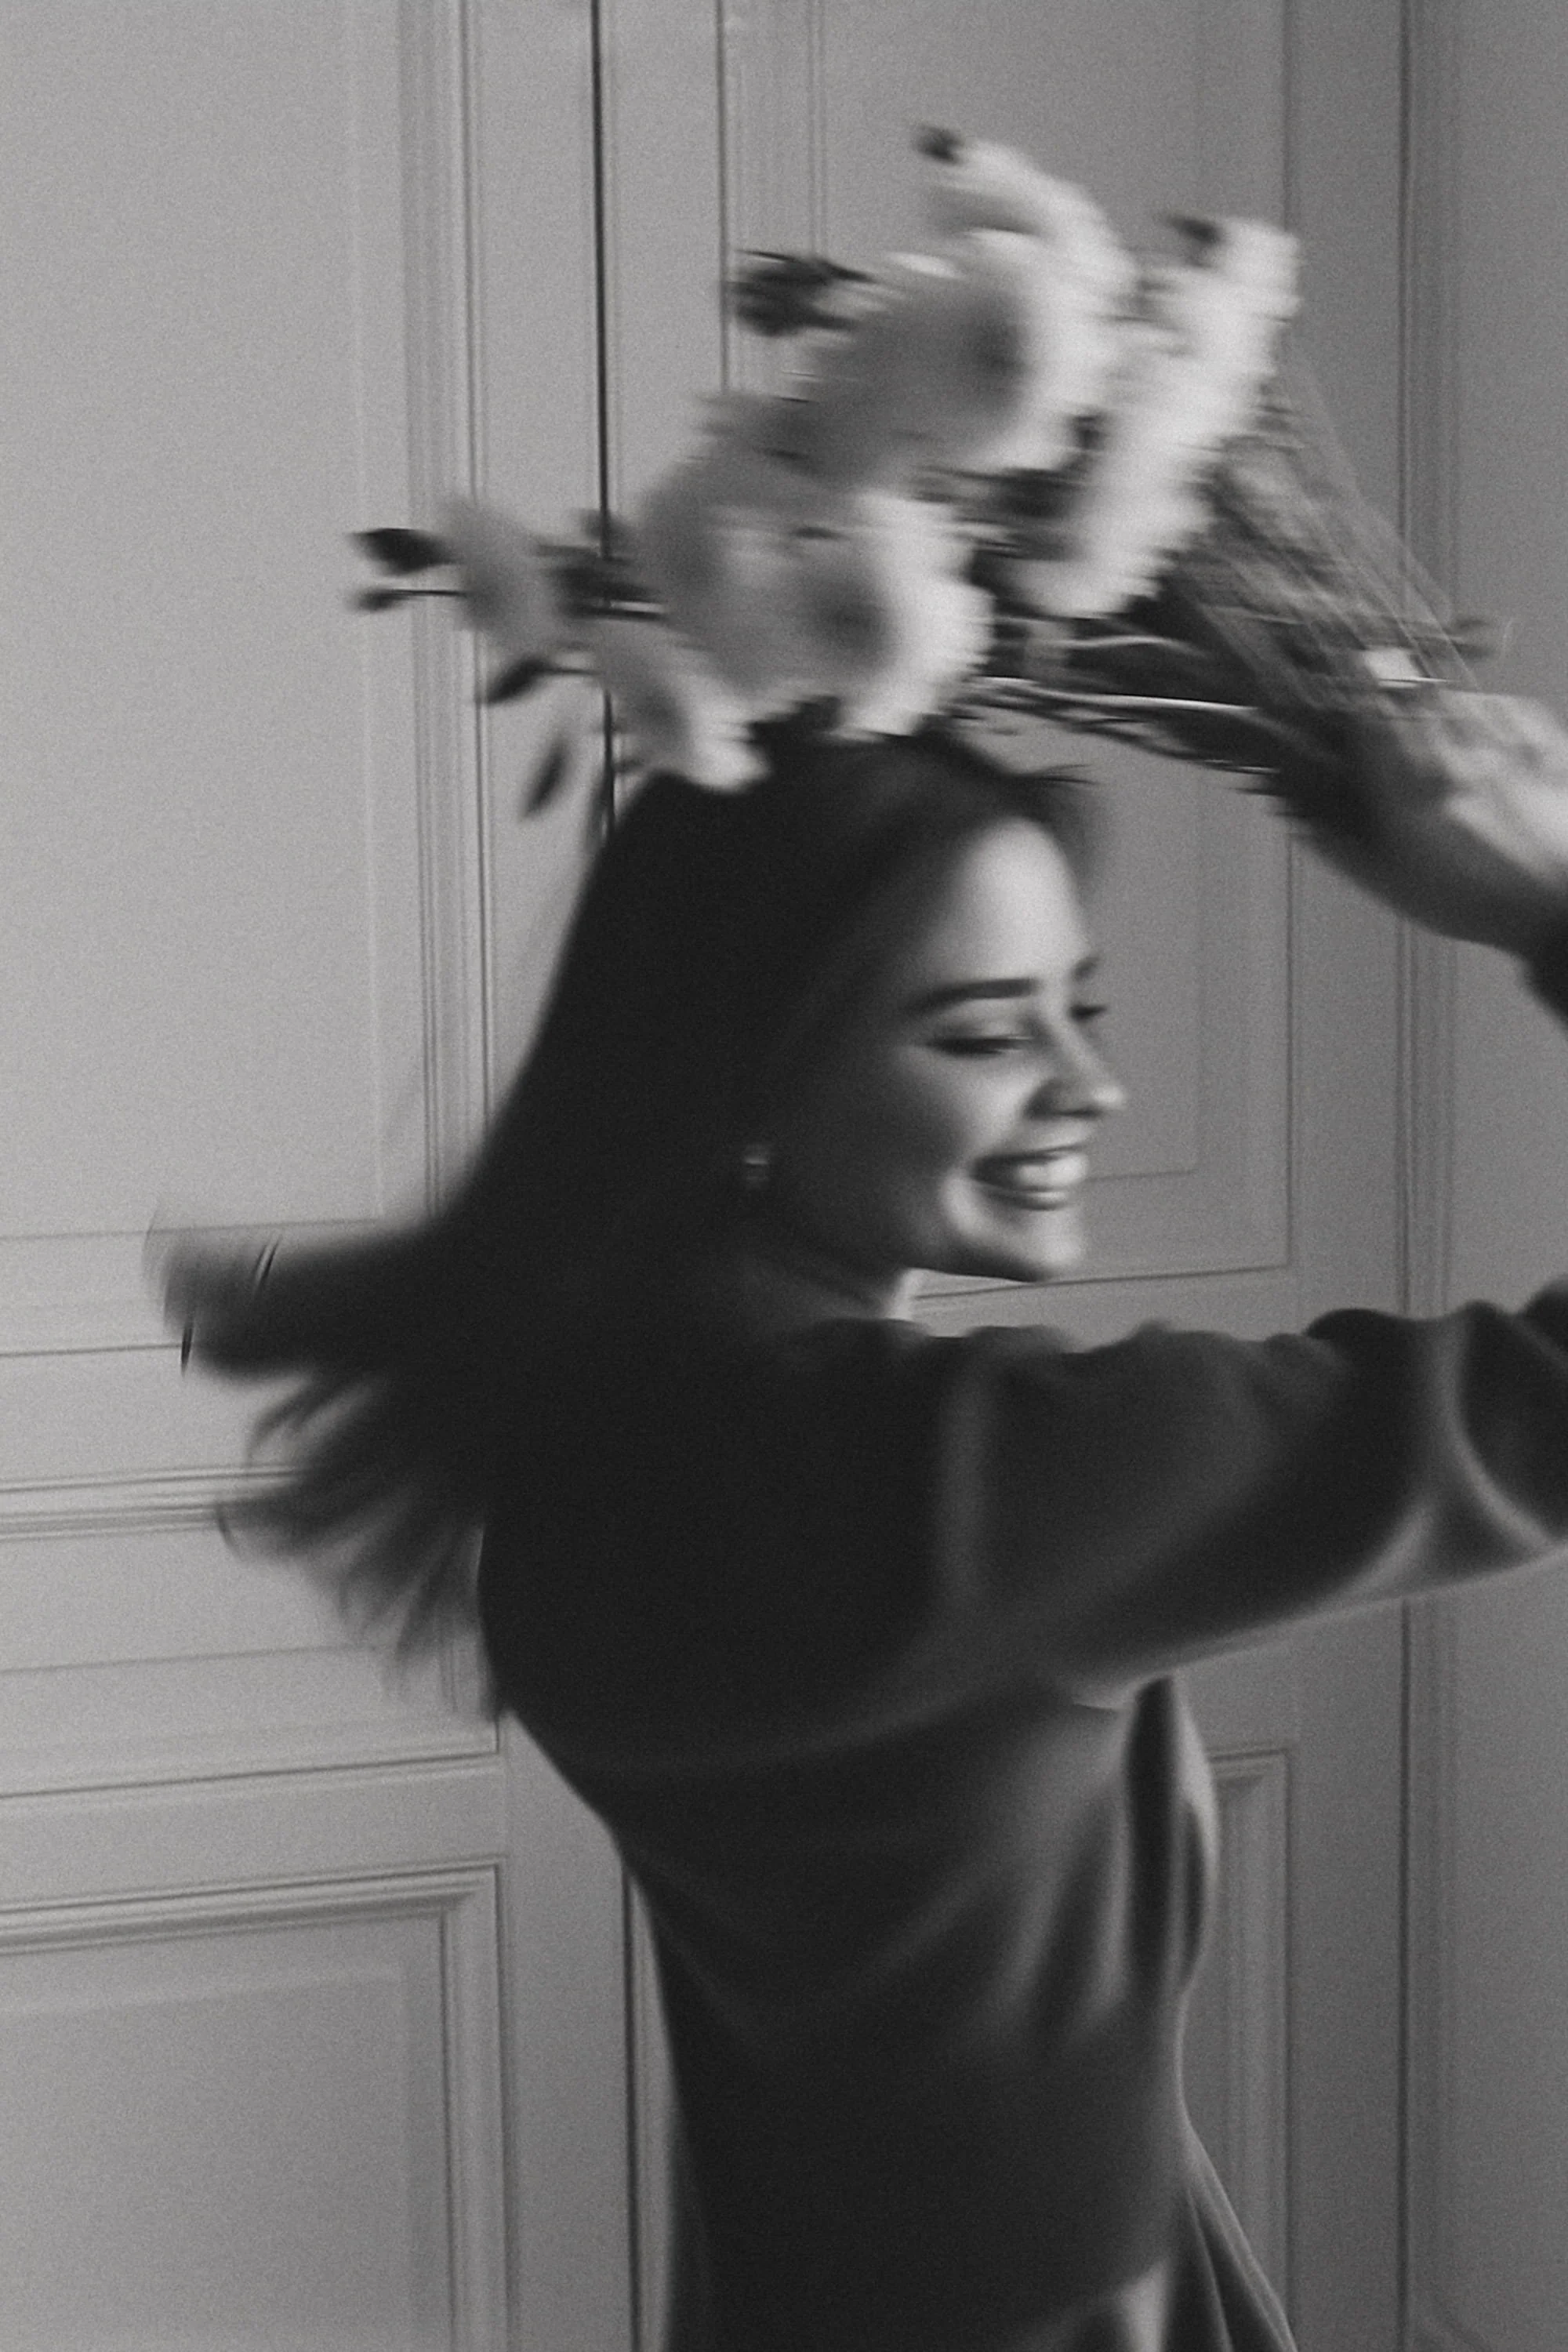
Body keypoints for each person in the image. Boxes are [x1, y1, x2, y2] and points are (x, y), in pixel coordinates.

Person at [164, 695, 1568, 2351]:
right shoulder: (963, 1487)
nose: (1095, 1085)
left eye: (1081, 1008)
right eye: (983, 1035)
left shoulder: (592, 1431)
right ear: (746, 1082)